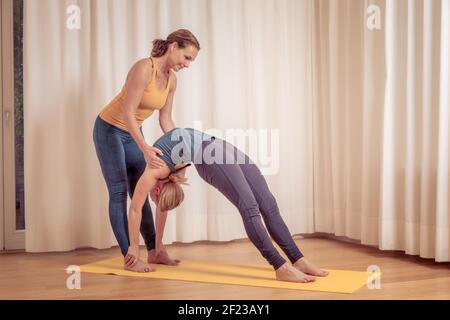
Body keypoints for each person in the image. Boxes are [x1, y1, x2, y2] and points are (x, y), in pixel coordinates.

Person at [126, 128, 329, 283]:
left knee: (268, 203)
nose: (151, 195)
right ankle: (280, 266)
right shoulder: (165, 174)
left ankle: (297, 258)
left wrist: (138, 247)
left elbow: (136, 209)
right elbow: (161, 208)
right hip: (209, 155)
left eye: (152, 198)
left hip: (219, 146)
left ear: (158, 190)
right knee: (249, 207)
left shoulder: (156, 171)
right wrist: (153, 245)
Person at [93, 30, 200, 272]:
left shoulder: (172, 80)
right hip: (109, 129)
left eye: (190, 60)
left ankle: (155, 251)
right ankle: (129, 257)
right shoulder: (144, 68)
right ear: (173, 46)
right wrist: (144, 148)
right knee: (119, 192)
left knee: (140, 190)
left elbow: (166, 120)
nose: (187, 64)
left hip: (132, 133)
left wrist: (179, 156)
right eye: (187, 57)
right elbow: (127, 114)